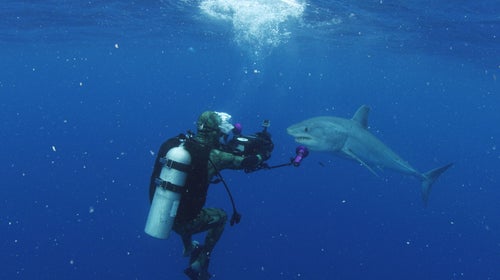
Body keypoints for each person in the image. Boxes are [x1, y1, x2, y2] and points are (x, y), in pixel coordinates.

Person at [148, 111, 273, 280]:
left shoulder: (178, 144)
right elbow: (244, 162)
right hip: (183, 220)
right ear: (216, 131)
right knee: (220, 216)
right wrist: (262, 154)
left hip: (163, 212)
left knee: (184, 206)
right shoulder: (214, 156)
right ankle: (201, 259)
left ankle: (188, 247)